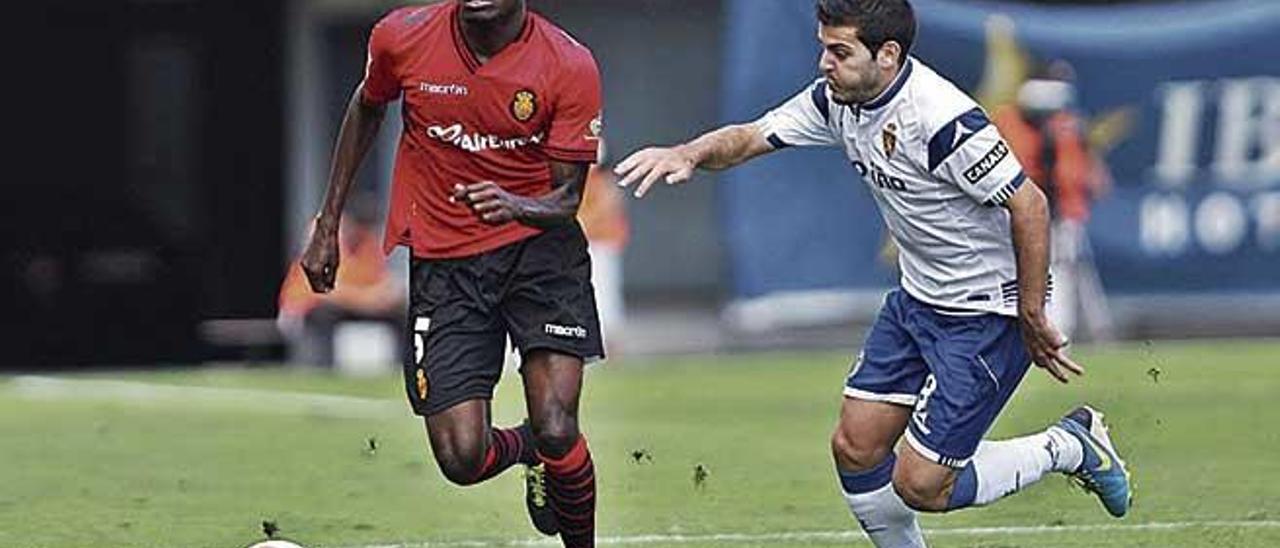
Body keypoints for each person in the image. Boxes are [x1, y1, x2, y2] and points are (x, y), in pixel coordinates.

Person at [614, 1, 1130, 546]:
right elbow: (752, 135)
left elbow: (1030, 205)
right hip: (918, 298)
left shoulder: (941, 120)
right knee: (855, 446)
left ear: (888, 55)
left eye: (839, 51)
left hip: (987, 312)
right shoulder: (837, 100)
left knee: (922, 484)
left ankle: (1070, 443)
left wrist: (1030, 312)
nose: (823, 63)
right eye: (823, 47)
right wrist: (688, 154)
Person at [299, 1, 604, 545]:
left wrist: (513, 203)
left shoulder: (568, 64)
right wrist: (329, 222)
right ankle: (527, 449)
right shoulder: (401, 36)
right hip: (447, 264)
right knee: (463, 457)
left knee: (559, 425)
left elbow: (567, 199)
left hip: (540, 256)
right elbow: (367, 106)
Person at [993, 64, 1114, 342]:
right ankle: (1066, 331)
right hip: (1025, 207)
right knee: (1061, 272)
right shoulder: (1010, 122)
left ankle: (1083, 330)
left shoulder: (1065, 125)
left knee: (1068, 270)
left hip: (1058, 210)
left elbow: (1082, 164)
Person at [278, 196, 404, 367]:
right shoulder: (323, 240)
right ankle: (324, 368)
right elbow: (324, 292)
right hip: (305, 307)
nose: (360, 232)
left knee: (401, 312)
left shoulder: (368, 243)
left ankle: (402, 365)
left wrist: (386, 294)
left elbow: (381, 283)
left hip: (354, 305)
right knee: (325, 313)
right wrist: (367, 299)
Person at [577, 140, 629, 355]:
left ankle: (611, 347)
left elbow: (606, 211)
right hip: (584, 244)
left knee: (605, 298)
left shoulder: (602, 182)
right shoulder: (576, 180)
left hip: (600, 244)